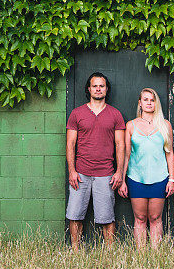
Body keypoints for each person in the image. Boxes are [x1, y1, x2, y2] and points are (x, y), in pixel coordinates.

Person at [65, 72, 126, 251]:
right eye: (95, 86)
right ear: (89, 89)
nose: (98, 89)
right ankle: (76, 252)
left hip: (106, 174)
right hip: (81, 173)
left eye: (102, 86)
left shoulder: (115, 114)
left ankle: (110, 252)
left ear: (107, 89)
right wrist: (72, 171)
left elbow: (120, 144)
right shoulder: (77, 113)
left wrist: (119, 172)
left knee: (107, 217)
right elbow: (70, 144)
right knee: (75, 215)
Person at [117, 87, 174, 248]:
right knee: (140, 218)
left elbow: (169, 154)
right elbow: (126, 155)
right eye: (146, 99)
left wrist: (171, 179)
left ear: (156, 103)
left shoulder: (165, 125)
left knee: (156, 218)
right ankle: (141, 257)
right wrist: (122, 180)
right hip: (136, 178)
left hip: (159, 179)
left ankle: (156, 257)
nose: (149, 103)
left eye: (152, 100)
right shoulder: (131, 125)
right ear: (140, 103)